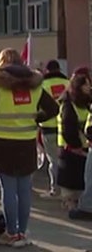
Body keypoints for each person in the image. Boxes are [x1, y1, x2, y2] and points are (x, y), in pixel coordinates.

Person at [0, 48, 58, 247]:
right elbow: (53, 109)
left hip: (1, 144)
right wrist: (36, 118)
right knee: (24, 189)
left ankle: (11, 233)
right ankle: (22, 232)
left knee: (8, 189)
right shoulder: (35, 86)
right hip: (26, 143)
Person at [57, 69, 90, 210]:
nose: (89, 88)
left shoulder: (86, 103)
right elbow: (67, 128)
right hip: (69, 148)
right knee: (70, 180)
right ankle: (69, 202)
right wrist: (76, 146)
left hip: (83, 148)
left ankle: (79, 202)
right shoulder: (68, 105)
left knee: (82, 179)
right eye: (86, 85)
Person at [41, 60, 68, 196]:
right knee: (66, 159)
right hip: (65, 126)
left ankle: (55, 188)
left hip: (48, 127)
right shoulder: (67, 84)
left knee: (53, 160)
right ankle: (66, 188)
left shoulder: (43, 85)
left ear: (47, 71)